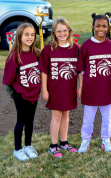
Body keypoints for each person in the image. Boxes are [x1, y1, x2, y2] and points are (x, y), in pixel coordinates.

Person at [39, 18, 81, 158]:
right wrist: (44, 90)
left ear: (69, 31)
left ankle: (64, 142)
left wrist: (80, 86)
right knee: (56, 116)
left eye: (65, 30)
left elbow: (80, 70)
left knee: (66, 114)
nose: (62, 33)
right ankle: (53, 145)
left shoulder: (75, 48)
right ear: (54, 32)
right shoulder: (48, 49)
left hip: (69, 88)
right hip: (55, 89)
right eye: (59, 31)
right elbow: (44, 71)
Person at [77, 14, 111, 154]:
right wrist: (81, 87)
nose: (101, 29)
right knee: (88, 119)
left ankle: (106, 140)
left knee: (107, 118)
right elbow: (81, 70)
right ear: (93, 26)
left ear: (108, 27)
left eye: (104, 26)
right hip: (90, 89)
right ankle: (85, 140)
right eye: (98, 26)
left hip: (106, 89)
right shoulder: (86, 45)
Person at [3, 23, 41, 161]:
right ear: (19, 36)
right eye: (26, 34)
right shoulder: (14, 56)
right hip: (21, 94)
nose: (30, 37)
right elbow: (8, 81)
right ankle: (17, 149)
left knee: (30, 121)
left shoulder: (37, 53)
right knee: (21, 121)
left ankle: (28, 146)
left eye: (32, 34)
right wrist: (16, 95)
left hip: (34, 93)